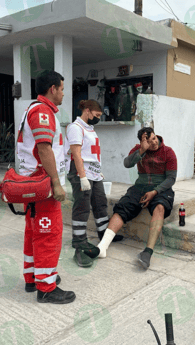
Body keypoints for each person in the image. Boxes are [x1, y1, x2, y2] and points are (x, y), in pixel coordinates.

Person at [17, 70, 75, 304]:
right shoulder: (42, 111)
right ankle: (46, 287)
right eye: (61, 88)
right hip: (43, 186)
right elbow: (44, 149)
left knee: (33, 232)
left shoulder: (32, 109)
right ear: (52, 89)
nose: (63, 93)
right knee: (48, 235)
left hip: (32, 186)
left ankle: (32, 277)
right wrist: (57, 183)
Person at [97, 127, 177, 269]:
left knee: (160, 207)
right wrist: (141, 150)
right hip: (140, 187)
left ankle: (147, 252)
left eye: (154, 138)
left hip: (161, 188)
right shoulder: (138, 149)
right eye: (149, 141)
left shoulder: (168, 152)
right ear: (142, 141)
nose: (154, 143)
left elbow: (171, 178)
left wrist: (155, 192)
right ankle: (102, 246)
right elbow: (127, 163)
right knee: (122, 207)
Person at [64, 99, 123, 268]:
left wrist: (97, 170)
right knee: (82, 206)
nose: (97, 118)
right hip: (80, 172)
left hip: (94, 173)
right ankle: (79, 241)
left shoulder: (90, 129)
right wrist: (82, 177)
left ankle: (104, 234)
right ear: (87, 111)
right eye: (96, 115)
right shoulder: (75, 127)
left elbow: (92, 153)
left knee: (100, 203)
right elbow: (76, 153)